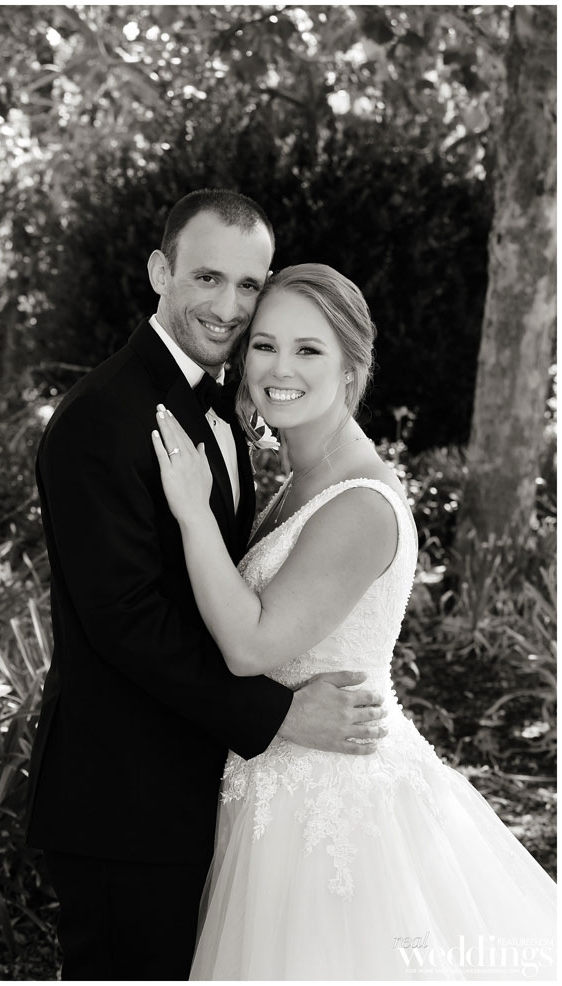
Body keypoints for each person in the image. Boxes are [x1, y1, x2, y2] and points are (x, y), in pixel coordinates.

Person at [152, 263, 557, 981]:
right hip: (275, 781)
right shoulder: (304, 478)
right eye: (265, 345)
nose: (279, 368)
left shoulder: (361, 505)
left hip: (331, 806)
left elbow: (249, 646)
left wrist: (192, 513)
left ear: (351, 369)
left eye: (308, 350)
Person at [25, 191, 390, 981]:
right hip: (122, 799)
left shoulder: (222, 404)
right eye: (207, 278)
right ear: (162, 272)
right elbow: (126, 621)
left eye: (248, 285)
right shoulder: (100, 420)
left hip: (201, 786)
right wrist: (279, 714)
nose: (228, 307)